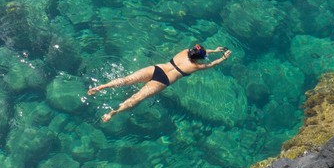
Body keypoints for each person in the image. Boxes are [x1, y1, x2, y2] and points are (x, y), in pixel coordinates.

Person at [88, 43, 232, 123]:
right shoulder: (196, 66)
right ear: (198, 58)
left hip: (157, 69)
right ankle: (113, 113)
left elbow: (201, 52)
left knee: (127, 80)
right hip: (163, 81)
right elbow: (212, 64)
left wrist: (214, 50)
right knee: (137, 97)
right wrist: (223, 57)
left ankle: (101, 87)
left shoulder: (184, 52)